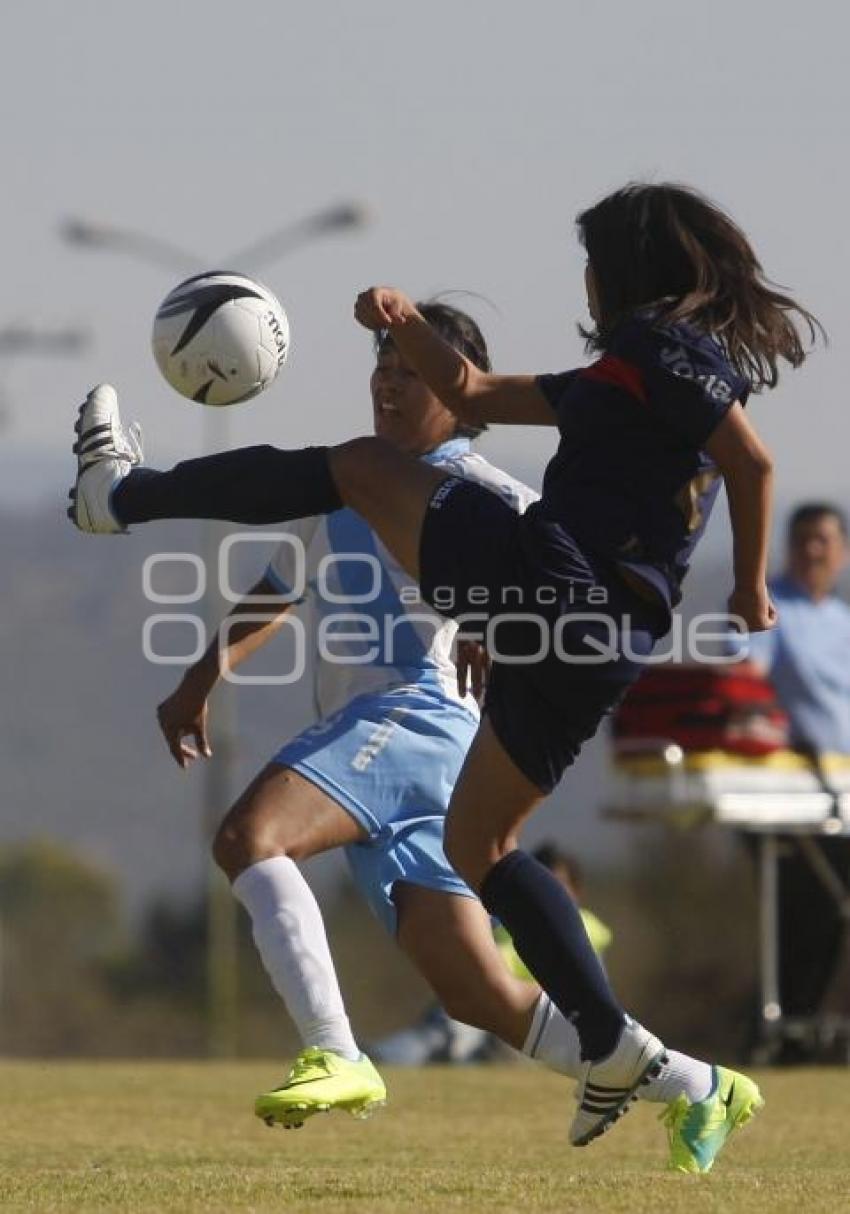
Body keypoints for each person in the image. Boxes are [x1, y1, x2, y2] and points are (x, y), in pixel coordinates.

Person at [69, 181, 817, 1167]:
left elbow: (752, 463)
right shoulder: (608, 383)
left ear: (626, 271)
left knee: (345, 480)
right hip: (589, 644)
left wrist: (754, 590)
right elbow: (468, 388)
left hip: (544, 600)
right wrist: (402, 322)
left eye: (589, 260)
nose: (582, 278)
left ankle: (119, 495)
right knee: (484, 866)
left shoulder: (654, 354)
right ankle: (661, 1067)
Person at [148, 303, 727, 1171]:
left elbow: (564, 609)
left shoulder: (496, 498)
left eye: (409, 368)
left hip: (416, 718)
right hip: (400, 751)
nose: (387, 378)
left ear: (462, 398)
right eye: (381, 364)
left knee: (249, 837)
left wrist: (508, 628)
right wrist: (200, 679)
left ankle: (335, 1051)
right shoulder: (345, 480)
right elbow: (277, 589)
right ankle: (695, 1084)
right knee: (479, 996)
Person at [734, 502, 850, 1056]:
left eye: (823, 541)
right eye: (802, 539)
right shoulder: (769, 609)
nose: (812, 551)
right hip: (787, 794)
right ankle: (782, 1036)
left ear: (842, 552)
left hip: (843, 795)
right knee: (802, 916)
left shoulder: (843, 622)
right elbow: (743, 679)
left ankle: (809, 1033)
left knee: (833, 916)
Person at [371, 842, 612, 1066]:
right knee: (449, 1026)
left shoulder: (584, 930)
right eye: (543, 887)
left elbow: (592, 1005)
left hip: (536, 1026)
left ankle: (381, 1058)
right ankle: (379, 1057)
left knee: (450, 1030)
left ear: (576, 892)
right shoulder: (503, 921)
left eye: (557, 886)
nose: (550, 898)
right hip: (496, 1011)